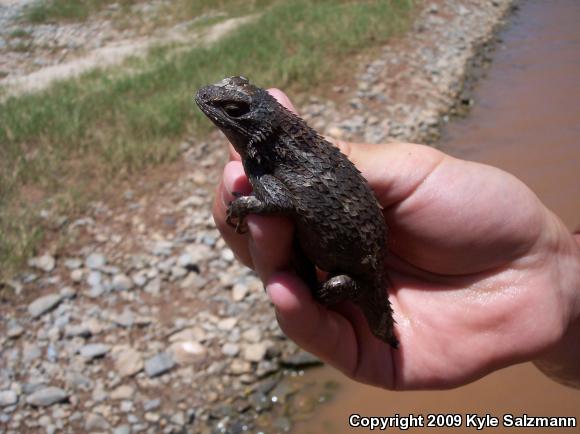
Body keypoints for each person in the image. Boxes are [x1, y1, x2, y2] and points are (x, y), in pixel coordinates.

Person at [212, 89, 580, 390]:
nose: (214, 107)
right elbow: (279, 199)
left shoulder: (273, 158)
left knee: (325, 289)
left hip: (357, 275)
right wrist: (552, 261)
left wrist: (245, 205)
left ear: (262, 124)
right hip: (369, 258)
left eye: (232, 109)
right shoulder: (274, 153)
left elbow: (275, 200)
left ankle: (372, 323)